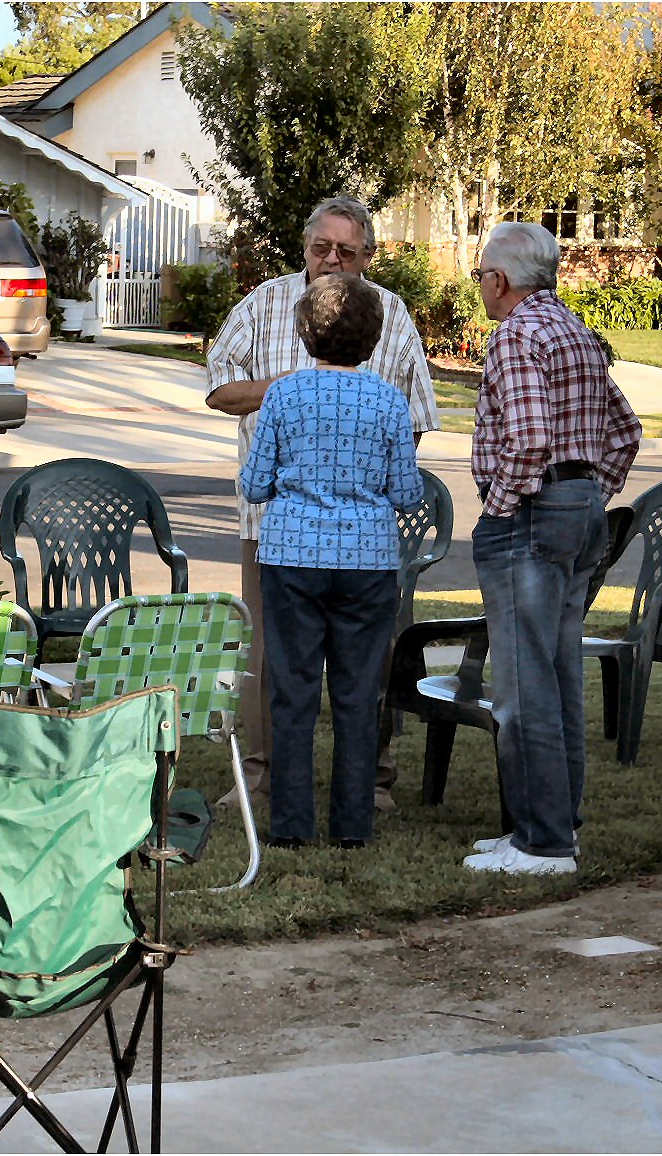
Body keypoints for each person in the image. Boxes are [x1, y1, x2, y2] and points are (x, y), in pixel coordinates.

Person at [206, 196, 439, 815]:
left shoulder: (391, 312)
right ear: (304, 247)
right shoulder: (264, 304)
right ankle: (264, 782)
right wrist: (287, 392)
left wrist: (362, 462)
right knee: (270, 661)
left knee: (366, 665)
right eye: (321, 248)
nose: (332, 259)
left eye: (347, 250)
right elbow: (219, 385)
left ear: (367, 254)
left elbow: (414, 416)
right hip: (275, 532)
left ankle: (369, 785)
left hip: (362, 536)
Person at [463, 222, 642, 877]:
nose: (480, 283)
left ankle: (541, 844)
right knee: (559, 675)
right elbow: (625, 431)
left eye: (481, 273)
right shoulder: (575, 331)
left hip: (532, 516)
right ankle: (555, 826)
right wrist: (589, 490)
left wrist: (499, 511)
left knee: (521, 685)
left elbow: (529, 439)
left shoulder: (514, 334)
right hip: (580, 511)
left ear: (501, 279)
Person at [239, 273, 423, 849]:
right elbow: (408, 493)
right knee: (358, 691)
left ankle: (291, 825)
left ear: (305, 333)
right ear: (373, 338)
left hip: (293, 555)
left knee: (291, 690)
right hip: (367, 560)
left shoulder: (283, 395)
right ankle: (352, 824)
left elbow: (253, 484)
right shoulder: (390, 402)